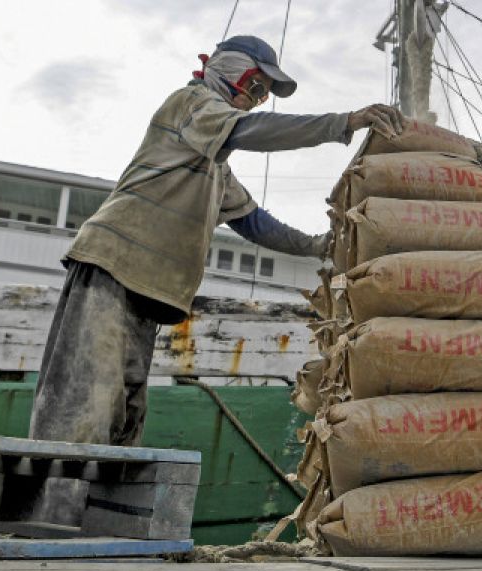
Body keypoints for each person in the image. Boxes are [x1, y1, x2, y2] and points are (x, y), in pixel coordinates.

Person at [30, 35, 402, 447]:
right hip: (110, 267)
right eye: (256, 86)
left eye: (262, 96)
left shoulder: (213, 167)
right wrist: (342, 123)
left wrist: (321, 245)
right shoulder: (191, 103)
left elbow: (254, 222)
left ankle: (93, 506)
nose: (255, 100)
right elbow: (248, 131)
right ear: (225, 69)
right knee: (82, 408)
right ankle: (54, 507)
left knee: (122, 414)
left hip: (145, 289)